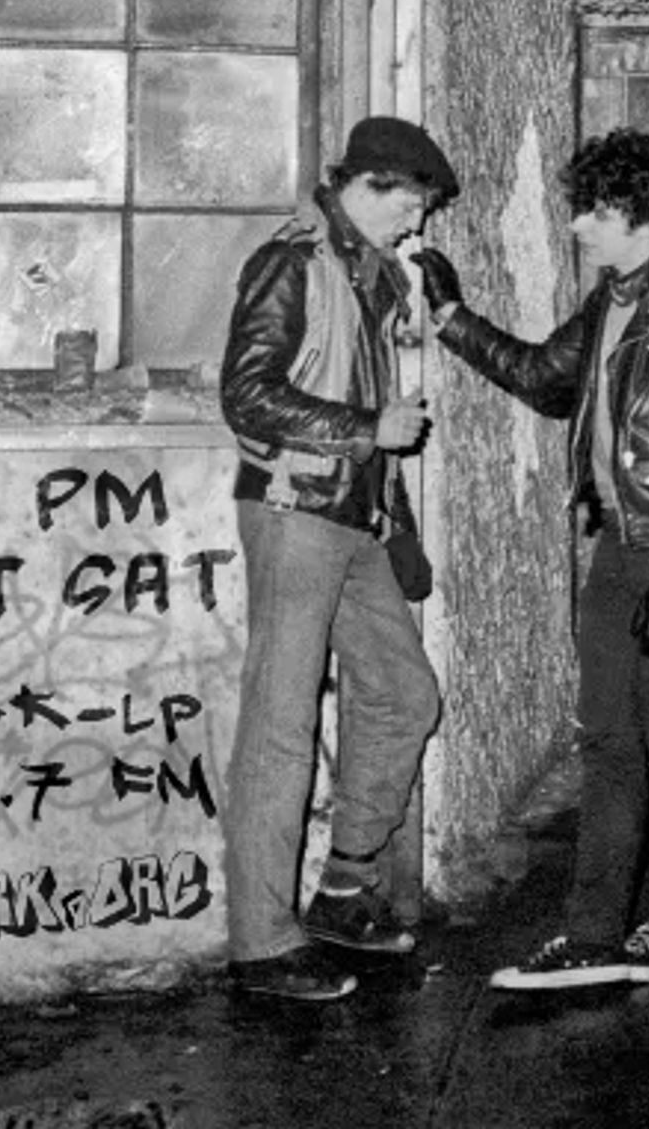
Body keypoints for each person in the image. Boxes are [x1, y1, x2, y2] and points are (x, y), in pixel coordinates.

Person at [418, 126, 649, 990]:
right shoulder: (613, 303)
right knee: (607, 741)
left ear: (644, 220)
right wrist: (453, 318)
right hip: (618, 546)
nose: (578, 225)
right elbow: (545, 378)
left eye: (596, 211)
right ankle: (591, 932)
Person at [219, 114, 458, 1001]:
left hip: (350, 517)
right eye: (413, 207)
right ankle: (261, 944)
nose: (417, 227)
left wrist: (395, 528)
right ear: (373, 187)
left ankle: (344, 889)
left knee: (404, 694)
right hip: (293, 511)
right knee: (282, 727)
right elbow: (246, 397)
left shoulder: (364, 274)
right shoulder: (293, 262)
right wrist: (367, 430)